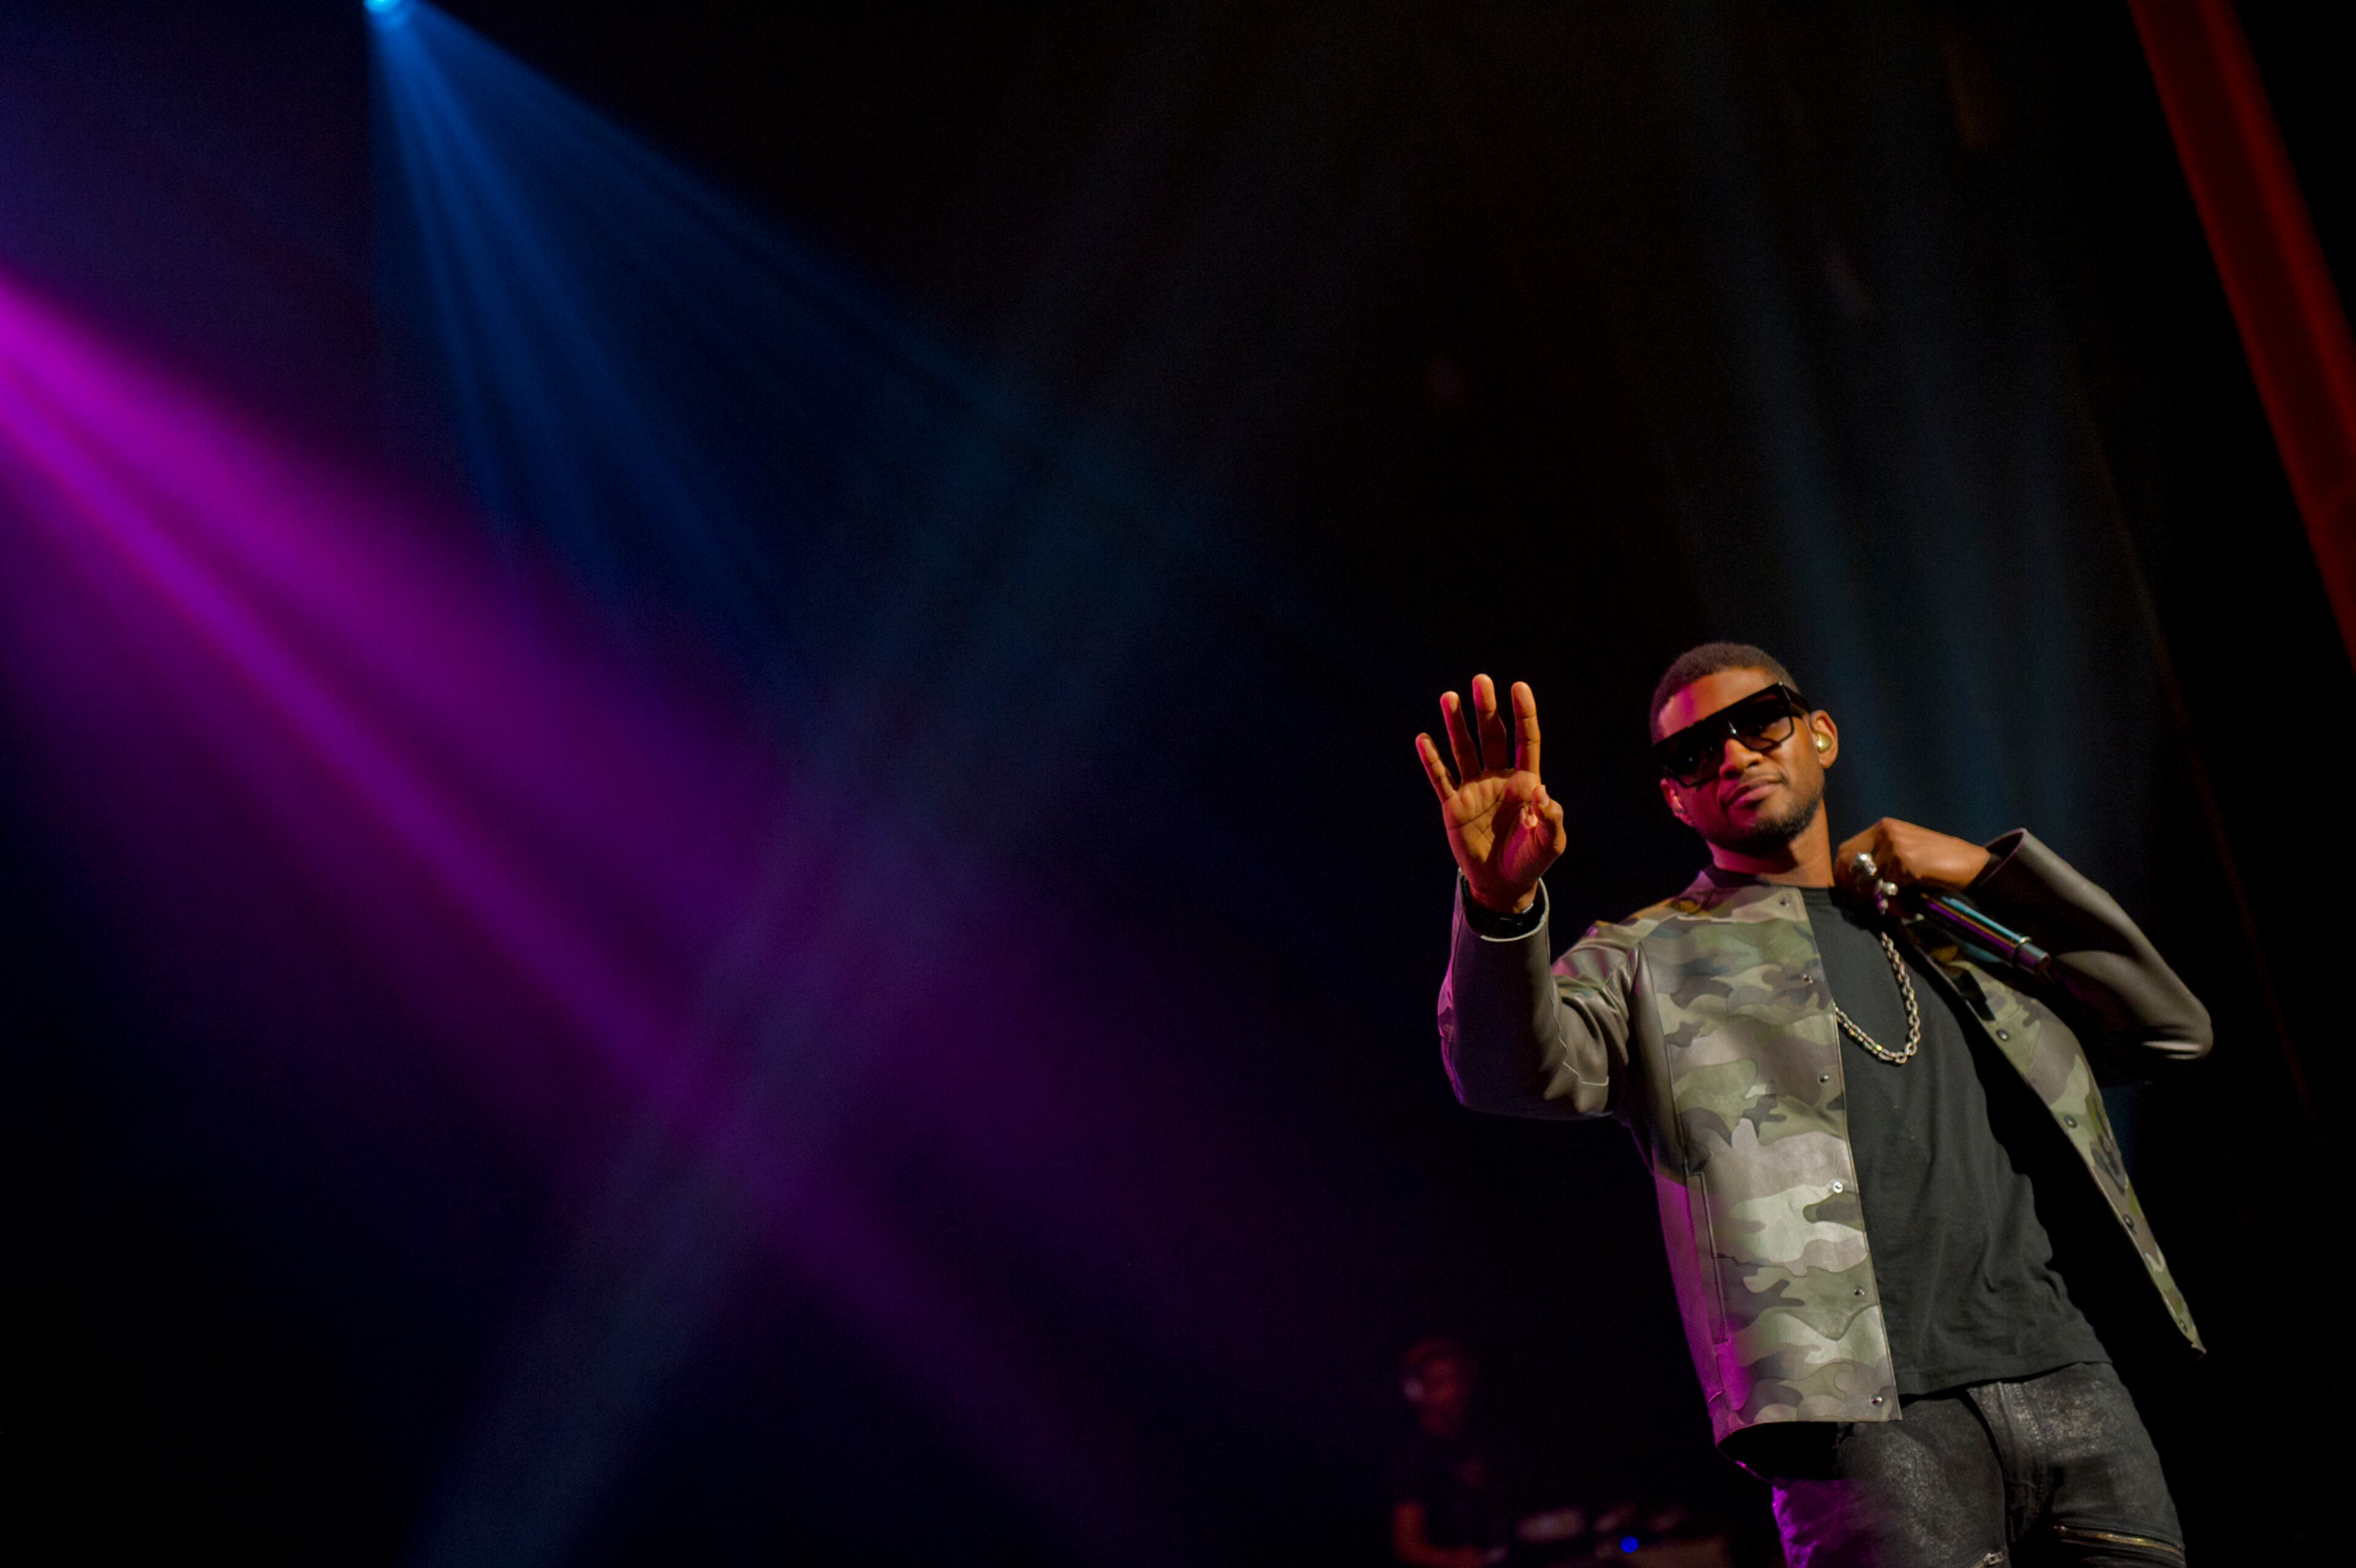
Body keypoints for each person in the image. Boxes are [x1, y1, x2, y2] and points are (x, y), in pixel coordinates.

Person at [1414, 644, 2208, 1567]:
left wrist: (1981, 871)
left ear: (1820, 734)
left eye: (1760, 723)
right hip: (1864, 1429)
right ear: (1677, 799)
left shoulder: (1942, 925)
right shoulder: (1651, 956)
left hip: (2074, 1382)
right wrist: (1499, 900)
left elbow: (2171, 1032)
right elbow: (1506, 1072)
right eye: (1695, 755)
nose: (1734, 757)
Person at [1390, 1338, 1508, 1568]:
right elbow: (1406, 1545)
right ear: (1416, 1392)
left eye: (1457, 1380)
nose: (1453, 1391)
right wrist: (1452, 1560)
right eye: (1440, 1383)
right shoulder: (1413, 1457)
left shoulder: (1475, 1442)